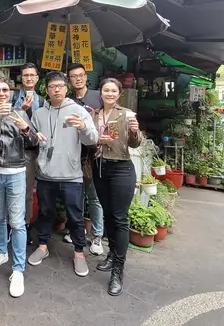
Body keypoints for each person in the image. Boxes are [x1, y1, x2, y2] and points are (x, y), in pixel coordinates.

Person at [28, 72, 98, 277]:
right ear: (47, 90)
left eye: (60, 85)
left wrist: (83, 127)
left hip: (71, 176)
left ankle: (79, 253)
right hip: (45, 175)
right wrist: (32, 135)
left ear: (66, 88)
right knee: (44, 213)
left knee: (75, 217)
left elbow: (92, 139)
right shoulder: (39, 113)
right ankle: (42, 246)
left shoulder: (78, 111)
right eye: (52, 86)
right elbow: (32, 139)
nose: (56, 89)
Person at [0, 77, 38, 298]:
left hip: (16, 172)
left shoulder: (20, 113)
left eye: (5, 90)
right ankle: (1, 251)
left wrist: (25, 129)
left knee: (18, 222)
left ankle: (18, 269)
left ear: (10, 94)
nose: (1, 93)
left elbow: (34, 142)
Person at [91, 78, 143, 296]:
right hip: (99, 168)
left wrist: (134, 131)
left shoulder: (127, 114)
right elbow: (88, 140)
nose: (110, 94)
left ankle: (118, 270)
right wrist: (97, 141)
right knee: (108, 215)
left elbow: (135, 143)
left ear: (119, 94)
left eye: (113, 91)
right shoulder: (94, 115)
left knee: (120, 218)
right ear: (101, 93)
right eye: (106, 90)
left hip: (121, 168)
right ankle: (112, 254)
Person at [66, 62, 105, 255]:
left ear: (86, 76)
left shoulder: (98, 96)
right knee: (76, 195)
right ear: (69, 80)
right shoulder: (68, 100)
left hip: (94, 154)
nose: (78, 79)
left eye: (80, 75)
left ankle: (97, 236)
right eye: (73, 76)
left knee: (94, 196)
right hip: (74, 153)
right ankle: (77, 230)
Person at [8, 63, 48, 244]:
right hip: (11, 149)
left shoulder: (43, 102)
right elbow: (4, 120)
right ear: (21, 78)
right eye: (26, 75)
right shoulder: (12, 96)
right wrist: (21, 109)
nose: (29, 78)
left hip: (30, 152)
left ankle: (25, 225)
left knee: (27, 192)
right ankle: (9, 225)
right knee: (10, 190)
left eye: (32, 75)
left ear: (37, 78)